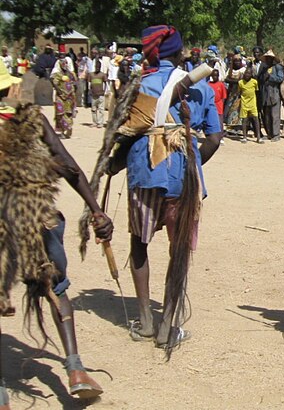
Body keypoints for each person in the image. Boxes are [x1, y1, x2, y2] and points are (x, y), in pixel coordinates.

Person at [0, 61, 113, 402]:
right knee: (56, 287)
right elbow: (68, 165)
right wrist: (95, 209)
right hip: (39, 216)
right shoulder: (33, 119)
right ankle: (75, 369)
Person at [122, 25, 222, 349]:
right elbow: (215, 138)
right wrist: (192, 162)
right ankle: (167, 325)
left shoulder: (139, 85)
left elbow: (123, 133)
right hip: (185, 181)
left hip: (145, 176)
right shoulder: (202, 87)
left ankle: (146, 320)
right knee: (178, 251)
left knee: (139, 242)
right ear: (180, 54)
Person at [260, 50, 284, 142]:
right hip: (265, 93)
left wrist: (270, 77)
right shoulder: (264, 68)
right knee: (267, 115)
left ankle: (276, 134)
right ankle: (269, 133)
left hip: (275, 93)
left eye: (270, 58)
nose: (268, 60)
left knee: (275, 115)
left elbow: (280, 78)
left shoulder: (278, 67)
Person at [51, 58, 78, 138]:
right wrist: (59, 91)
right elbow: (54, 83)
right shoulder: (57, 74)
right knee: (60, 113)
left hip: (70, 97)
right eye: (63, 63)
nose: (64, 65)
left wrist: (72, 93)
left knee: (68, 113)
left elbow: (75, 84)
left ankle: (69, 128)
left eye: (66, 63)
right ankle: (62, 131)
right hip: (60, 97)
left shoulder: (71, 74)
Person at [238, 67, 262, 143]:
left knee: (256, 119)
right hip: (244, 103)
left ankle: (258, 137)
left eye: (249, 73)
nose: (247, 75)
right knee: (245, 120)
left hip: (253, 103)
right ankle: (244, 136)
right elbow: (239, 92)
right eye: (246, 73)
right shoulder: (240, 82)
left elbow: (257, 92)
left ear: (251, 74)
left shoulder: (254, 82)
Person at [89, 59, 107, 128]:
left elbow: (105, 84)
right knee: (93, 109)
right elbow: (89, 83)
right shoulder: (91, 75)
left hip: (100, 95)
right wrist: (90, 91)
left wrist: (104, 92)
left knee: (101, 109)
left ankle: (100, 123)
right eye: (96, 66)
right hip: (93, 94)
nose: (97, 68)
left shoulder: (102, 75)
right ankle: (94, 122)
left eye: (99, 67)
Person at [208, 68, 228, 133]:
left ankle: (221, 136)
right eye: (213, 75)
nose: (215, 77)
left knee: (219, 121)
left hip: (219, 105)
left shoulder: (221, 84)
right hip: (211, 105)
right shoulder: (208, 84)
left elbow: (224, 96)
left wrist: (222, 104)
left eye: (216, 75)